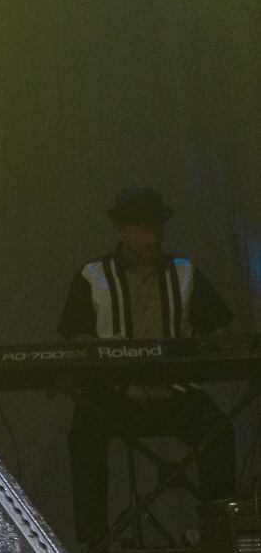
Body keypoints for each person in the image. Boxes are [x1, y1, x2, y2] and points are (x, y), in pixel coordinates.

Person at [57, 187, 236, 548]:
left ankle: (219, 535)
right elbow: (76, 337)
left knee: (218, 430)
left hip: (176, 393)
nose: (151, 236)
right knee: (85, 434)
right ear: (121, 230)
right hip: (114, 395)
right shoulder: (94, 276)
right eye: (141, 228)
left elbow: (218, 329)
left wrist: (194, 359)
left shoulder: (184, 272)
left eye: (156, 227)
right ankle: (95, 541)